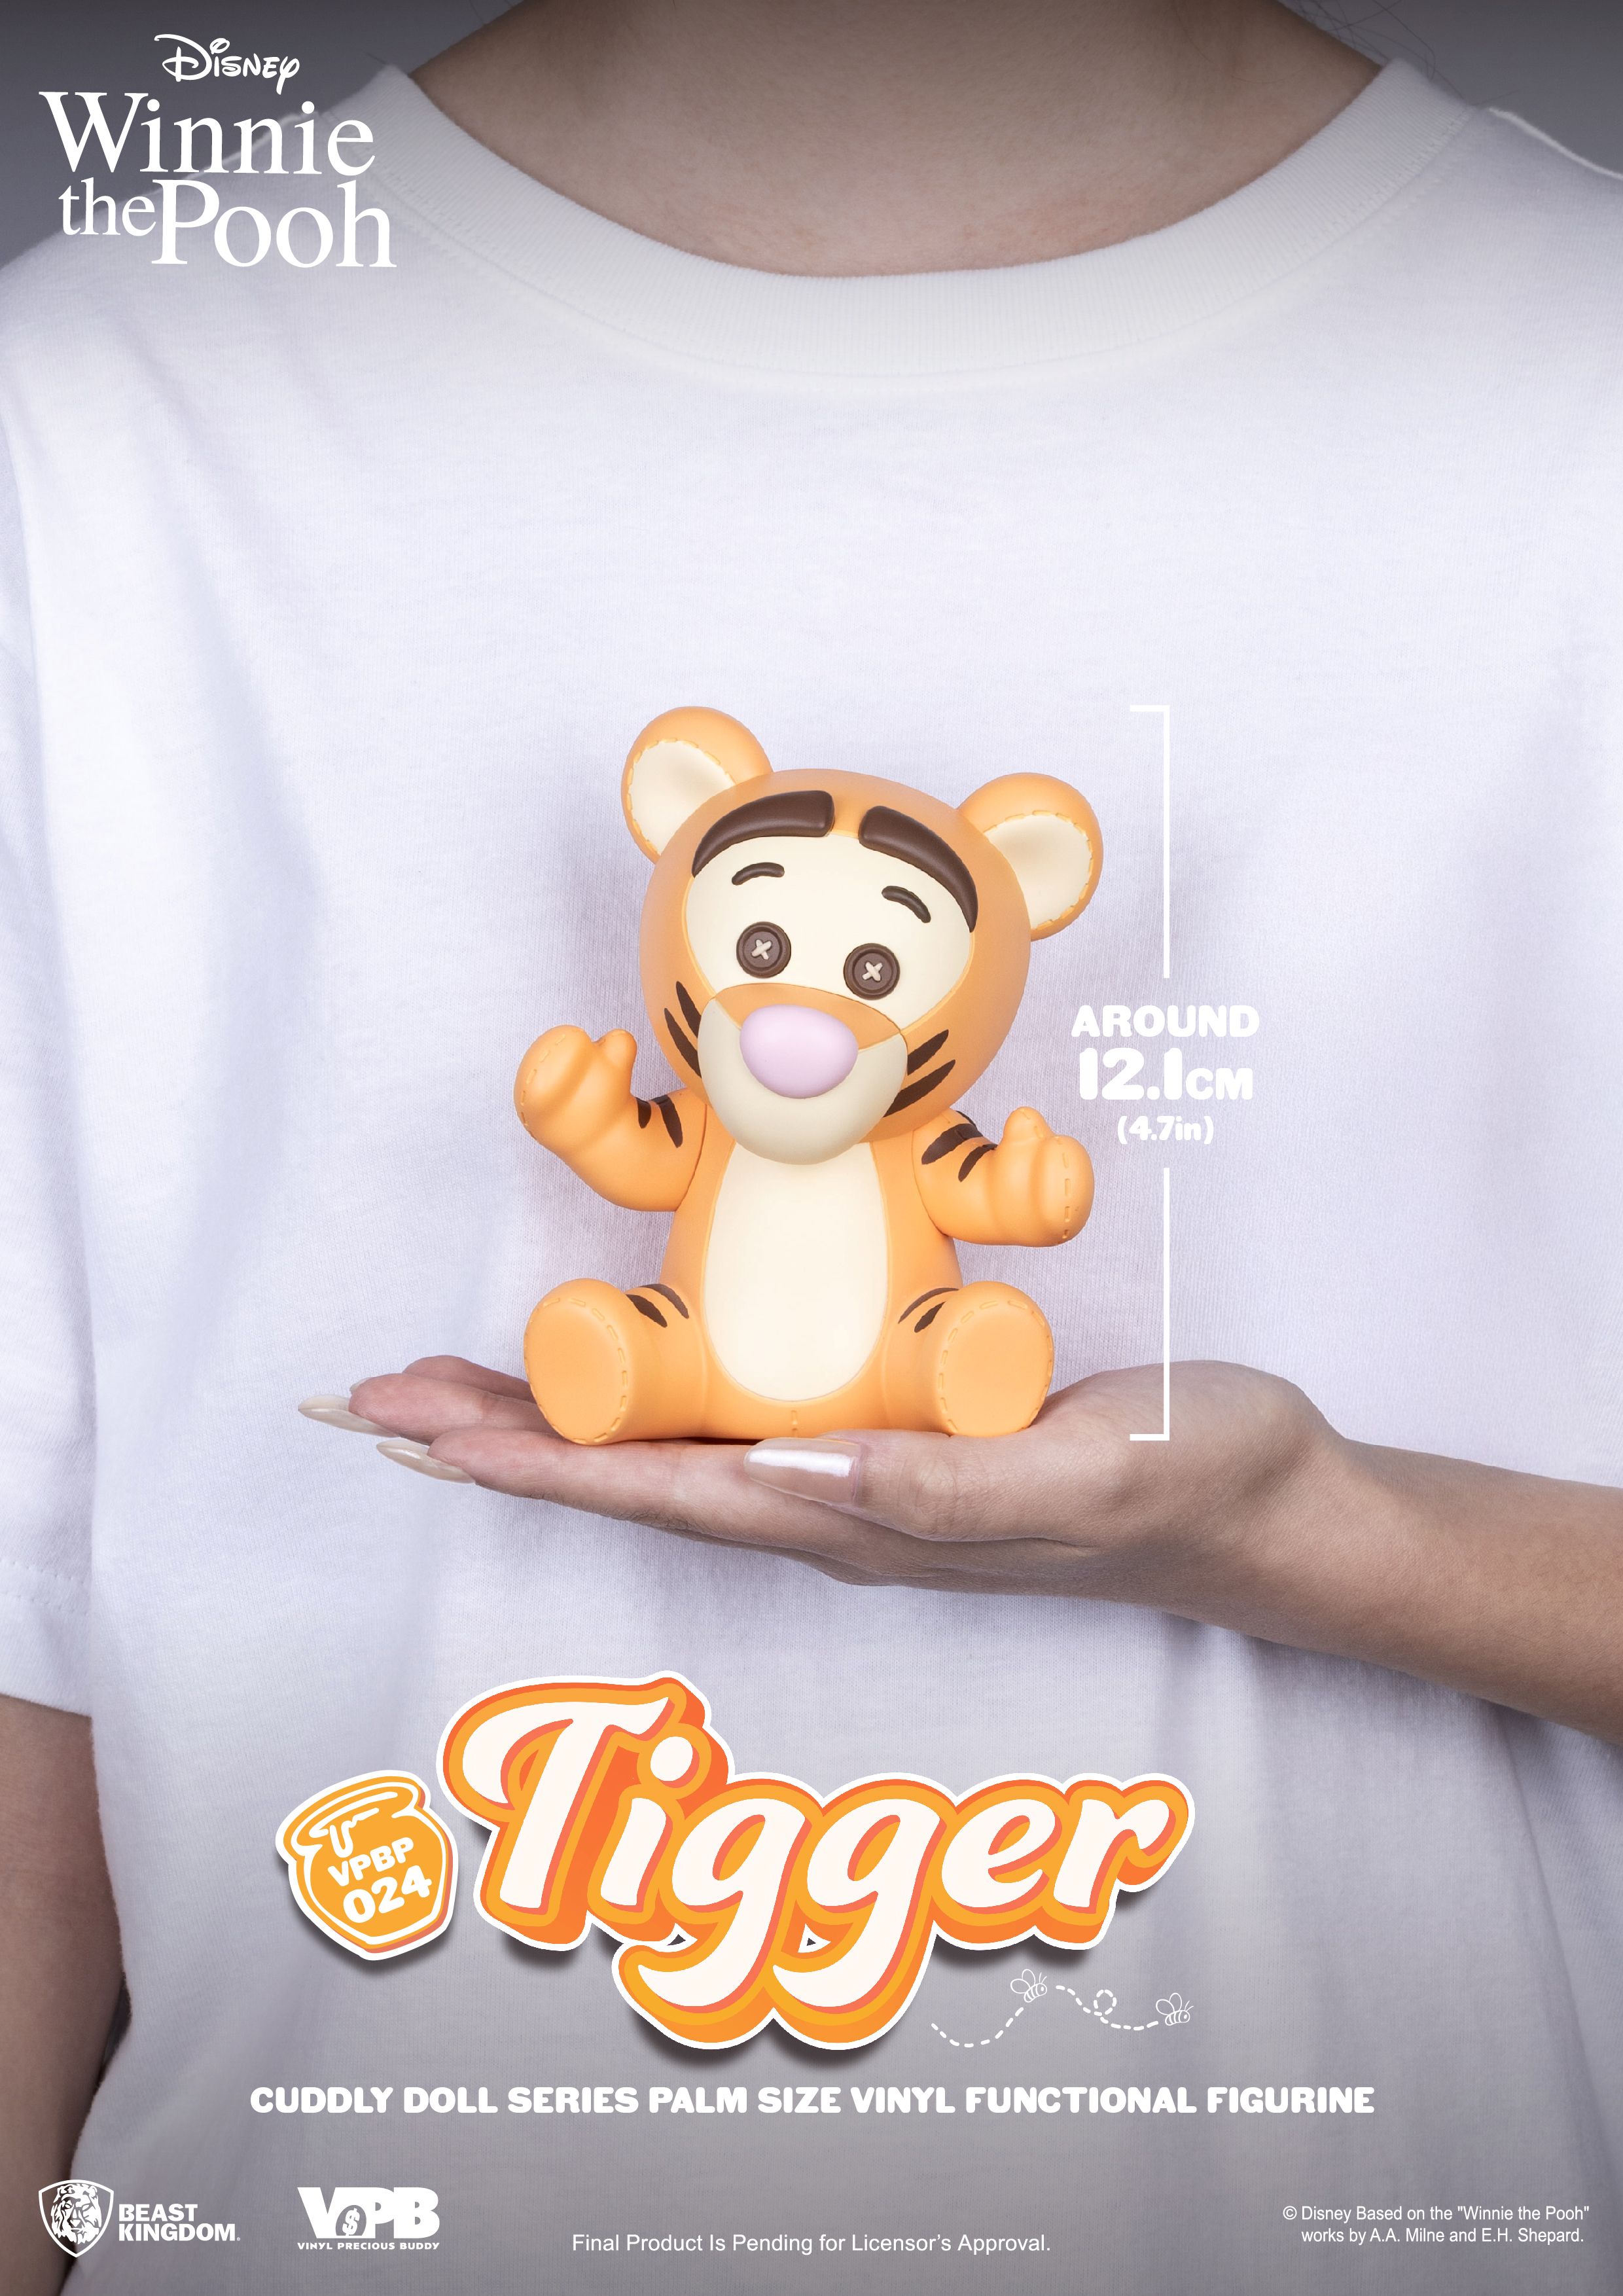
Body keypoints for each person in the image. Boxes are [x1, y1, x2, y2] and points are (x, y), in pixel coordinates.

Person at [2, 1, 1619, 2289]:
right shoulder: (88, 414)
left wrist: (1306, 1528)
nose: (801, 1003)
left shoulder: (1571, 376)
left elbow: (989, 1184)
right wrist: (606, 1120)